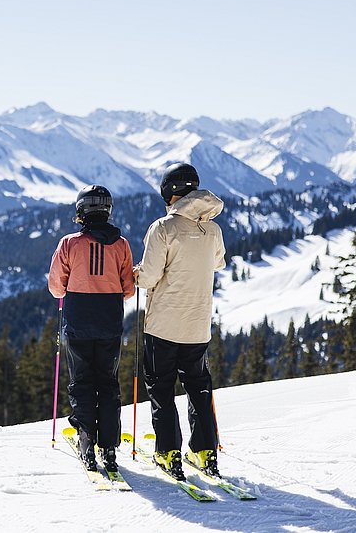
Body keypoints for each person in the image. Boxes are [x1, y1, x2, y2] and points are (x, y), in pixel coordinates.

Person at [133, 163, 226, 480]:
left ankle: (168, 452)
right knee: (199, 388)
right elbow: (217, 262)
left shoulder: (163, 228)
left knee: (161, 388)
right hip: (198, 324)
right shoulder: (212, 229)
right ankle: (204, 452)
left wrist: (135, 274)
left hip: (163, 325)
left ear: (169, 193)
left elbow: (148, 278)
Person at [48, 184, 135, 472]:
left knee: (82, 382)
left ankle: (86, 440)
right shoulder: (121, 244)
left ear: (81, 211)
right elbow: (128, 290)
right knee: (108, 384)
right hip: (109, 321)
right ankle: (109, 447)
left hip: (79, 321)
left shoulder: (69, 244)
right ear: (107, 211)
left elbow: (56, 287)